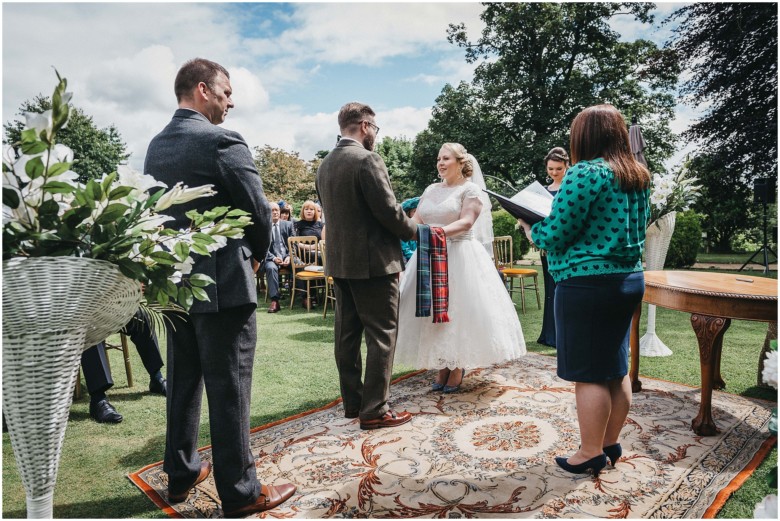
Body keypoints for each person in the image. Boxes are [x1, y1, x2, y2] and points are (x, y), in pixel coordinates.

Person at [144, 58, 295, 515]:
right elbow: (259, 214)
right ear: (204, 89)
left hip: (174, 286)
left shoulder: (154, 146)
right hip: (223, 283)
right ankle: (241, 493)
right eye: (227, 92)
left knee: (184, 382)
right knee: (229, 388)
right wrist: (251, 259)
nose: (232, 102)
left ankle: (181, 474)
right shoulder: (223, 139)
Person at [517, 104, 649, 477]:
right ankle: (609, 443)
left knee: (589, 373)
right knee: (614, 367)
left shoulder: (584, 174)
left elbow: (556, 233)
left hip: (587, 284)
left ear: (584, 136)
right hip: (628, 280)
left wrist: (531, 228)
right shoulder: (637, 174)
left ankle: (590, 452)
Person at [315, 102, 417, 430]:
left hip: (340, 262)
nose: (375, 134)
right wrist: (417, 230)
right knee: (383, 333)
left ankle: (354, 403)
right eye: (375, 128)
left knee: (346, 335)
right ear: (364, 126)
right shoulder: (367, 159)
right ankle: (375, 410)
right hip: (374, 264)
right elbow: (388, 211)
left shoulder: (325, 165)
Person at [394, 143, 526, 392]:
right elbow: (417, 220)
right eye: (438, 159)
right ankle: (443, 364)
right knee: (434, 312)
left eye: (446, 158)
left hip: (461, 255)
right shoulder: (431, 189)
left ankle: (457, 366)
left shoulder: (470, 189)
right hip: (429, 257)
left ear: (460, 162)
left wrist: (435, 234)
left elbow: (466, 222)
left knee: (459, 311)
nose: (440, 163)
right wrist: (403, 229)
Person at [82, 310, 167, 423]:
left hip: (109, 310)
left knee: (141, 316)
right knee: (90, 325)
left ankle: (156, 378)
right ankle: (98, 400)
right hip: (80, 315)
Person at [537, 147, 570, 348]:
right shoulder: (542, 190)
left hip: (565, 247)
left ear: (567, 166)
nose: (554, 172)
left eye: (558, 168)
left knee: (563, 290)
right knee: (550, 289)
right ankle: (549, 334)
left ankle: (562, 334)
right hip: (546, 247)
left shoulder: (570, 189)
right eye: (551, 169)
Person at [292, 200, 325, 308]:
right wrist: (311, 247)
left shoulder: (321, 225)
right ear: (303, 211)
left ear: (316, 211)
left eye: (311, 209)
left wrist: (315, 246)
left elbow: (324, 242)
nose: (309, 211)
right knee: (316, 259)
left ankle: (327, 294)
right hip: (304, 256)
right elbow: (295, 242)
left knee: (323, 258)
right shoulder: (297, 225)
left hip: (320, 253)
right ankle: (309, 296)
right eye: (306, 209)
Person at [264, 202, 294, 313]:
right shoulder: (264, 227)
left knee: (298, 264)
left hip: (287, 256)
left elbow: (293, 244)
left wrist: (289, 257)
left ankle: (305, 297)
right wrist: (273, 258)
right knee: (271, 268)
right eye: (272, 210)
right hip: (271, 258)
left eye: (277, 210)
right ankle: (275, 301)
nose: (275, 212)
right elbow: (262, 247)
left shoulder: (288, 225)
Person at [400, 197, 420, 263]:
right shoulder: (405, 228)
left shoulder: (424, 226)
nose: (417, 214)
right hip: (410, 261)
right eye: (414, 211)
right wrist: (419, 256)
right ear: (409, 213)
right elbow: (406, 250)